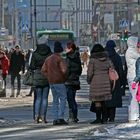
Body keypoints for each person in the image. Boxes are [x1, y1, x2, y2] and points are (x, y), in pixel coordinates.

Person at [41, 41, 68, 125]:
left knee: (55, 100)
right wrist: (64, 77)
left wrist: (49, 76)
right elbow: (64, 70)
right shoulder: (59, 58)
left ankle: (55, 118)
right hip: (59, 81)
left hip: (51, 82)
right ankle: (61, 118)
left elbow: (43, 70)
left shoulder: (48, 59)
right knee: (63, 99)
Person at [87, 43, 112, 124]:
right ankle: (104, 118)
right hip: (106, 81)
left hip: (95, 82)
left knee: (97, 101)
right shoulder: (107, 59)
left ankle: (98, 119)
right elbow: (112, 68)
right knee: (104, 100)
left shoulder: (93, 60)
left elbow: (90, 72)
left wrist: (89, 80)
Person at [30, 36, 52, 123]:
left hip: (37, 77)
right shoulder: (50, 54)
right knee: (45, 98)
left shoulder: (35, 54)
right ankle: (43, 117)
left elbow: (31, 66)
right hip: (47, 76)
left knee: (38, 98)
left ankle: (36, 117)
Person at [105, 40, 124, 122]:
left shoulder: (104, 57)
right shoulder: (117, 57)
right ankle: (112, 117)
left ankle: (105, 116)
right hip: (115, 80)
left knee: (105, 98)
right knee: (113, 99)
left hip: (104, 80)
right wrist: (122, 81)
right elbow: (120, 70)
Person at [65, 42, 82, 123]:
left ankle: (72, 117)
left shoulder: (68, 58)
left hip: (68, 81)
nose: (65, 49)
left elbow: (66, 70)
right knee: (73, 99)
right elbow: (80, 70)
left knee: (70, 99)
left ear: (71, 49)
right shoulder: (77, 57)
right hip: (75, 81)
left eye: (67, 48)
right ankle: (75, 116)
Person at [125, 36, 140, 122]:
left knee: (133, 96)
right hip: (133, 76)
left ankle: (132, 114)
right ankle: (134, 115)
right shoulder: (131, 51)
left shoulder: (129, 51)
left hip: (131, 76)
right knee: (134, 96)